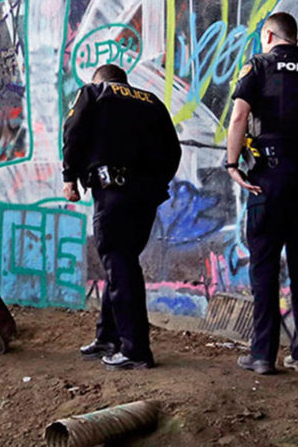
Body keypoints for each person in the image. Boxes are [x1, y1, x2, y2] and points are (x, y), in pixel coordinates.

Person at [226, 11, 298, 375]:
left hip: (270, 180)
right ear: (293, 38)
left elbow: (238, 118)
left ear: (268, 35)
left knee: (263, 269)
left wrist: (232, 165)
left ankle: (262, 355)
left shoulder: (258, 66)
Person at [62, 63, 181, 370]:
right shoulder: (151, 100)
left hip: (112, 192)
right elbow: (173, 150)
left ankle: (136, 349)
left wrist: (69, 177)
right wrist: (156, 185)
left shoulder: (94, 93)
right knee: (121, 261)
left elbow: (73, 131)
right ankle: (108, 336)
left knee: (119, 261)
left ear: (99, 78)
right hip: (146, 197)